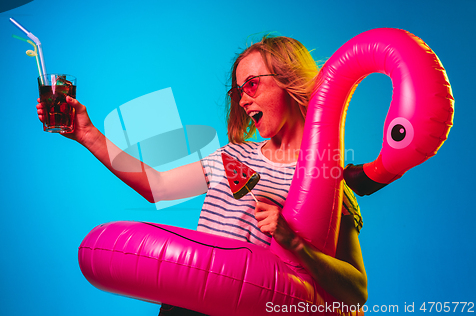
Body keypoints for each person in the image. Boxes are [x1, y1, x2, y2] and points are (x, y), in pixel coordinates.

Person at [36, 35, 367, 315]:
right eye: (237, 92)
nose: (243, 100)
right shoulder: (233, 155)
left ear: (290, 80)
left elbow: (355, 291)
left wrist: (295, 243)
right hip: (187, 306)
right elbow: (158, 186)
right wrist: (87, 133)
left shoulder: (325, 183)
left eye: (252, 85)